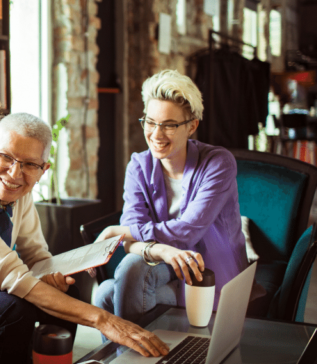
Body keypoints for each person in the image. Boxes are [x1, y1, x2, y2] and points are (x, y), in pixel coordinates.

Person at [0, 113, 169, 364]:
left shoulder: (19, 193)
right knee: (13, 309)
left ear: (44, 169)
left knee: (69, 294)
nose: (15, 173)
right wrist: (103, 319)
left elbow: (36, 255)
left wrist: (51, 275)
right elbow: (11, 275)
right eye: (6, 157)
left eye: (30, 164)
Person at [93, 69, 248, 323]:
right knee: (105, 292)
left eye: (169, 125)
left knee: (109, 293)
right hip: (165, 265)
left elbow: (187, 231)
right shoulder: (138, 167)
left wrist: (120, 231)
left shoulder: (218, 163)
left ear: (192, 127)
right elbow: (131, 243)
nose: (156, 134)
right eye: (151, 122)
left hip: (208, 272)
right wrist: (163, 251)